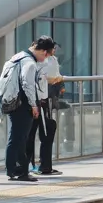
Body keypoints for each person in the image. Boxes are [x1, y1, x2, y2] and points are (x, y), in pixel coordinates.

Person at [0, 36, 54, 182]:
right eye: (46, 55)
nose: (45, 58)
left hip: (11, 100)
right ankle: (19, 170)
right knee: (20, 138)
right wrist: (34, 105)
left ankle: (14, 169)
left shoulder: (17, 57)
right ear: (44, 51)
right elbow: (27, 85)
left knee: (15, 136)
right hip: (22, 103)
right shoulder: (29, 63)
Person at [27, 40, 64, 176]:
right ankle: (31, 166)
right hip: (35, 102)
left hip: (43, 100)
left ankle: (43, 165)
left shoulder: (49, 60)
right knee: (31, 134)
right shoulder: (31, 61)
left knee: (46, 130)